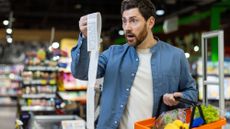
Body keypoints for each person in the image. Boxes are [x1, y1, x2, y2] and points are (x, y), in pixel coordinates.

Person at [71, 0, 197, 128]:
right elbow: (81, 72)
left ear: (150, 22)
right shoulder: (112, 54)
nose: (127, 27)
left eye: (133, 20)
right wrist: (85, 38)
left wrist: (179, 97)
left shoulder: (175, 56)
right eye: (124, 21)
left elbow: (191, 93)